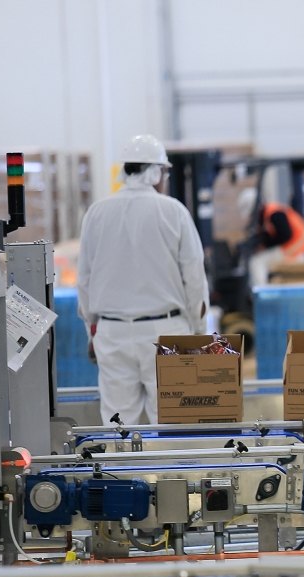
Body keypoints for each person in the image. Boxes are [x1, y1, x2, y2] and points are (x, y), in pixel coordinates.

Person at [78, 134, 208, 425]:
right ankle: (172, 471)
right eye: (163, 171)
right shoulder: (173, 211)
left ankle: (122, 471)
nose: (164, 178)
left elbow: (84, 280)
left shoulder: (96, 213)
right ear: (154, 172)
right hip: (168, 332)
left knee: (118, 426)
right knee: (173, 422)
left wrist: (92, 331)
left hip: (112, 333)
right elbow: (194, 275)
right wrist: (198, 332)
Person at [247, 201, 304, 285]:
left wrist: (265, 245)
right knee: (264, 259)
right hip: (299, 247)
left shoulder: (275, 214)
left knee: (256, 261)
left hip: (295, 249)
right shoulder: (272, 211)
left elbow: (285, 235)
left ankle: (261, 291)